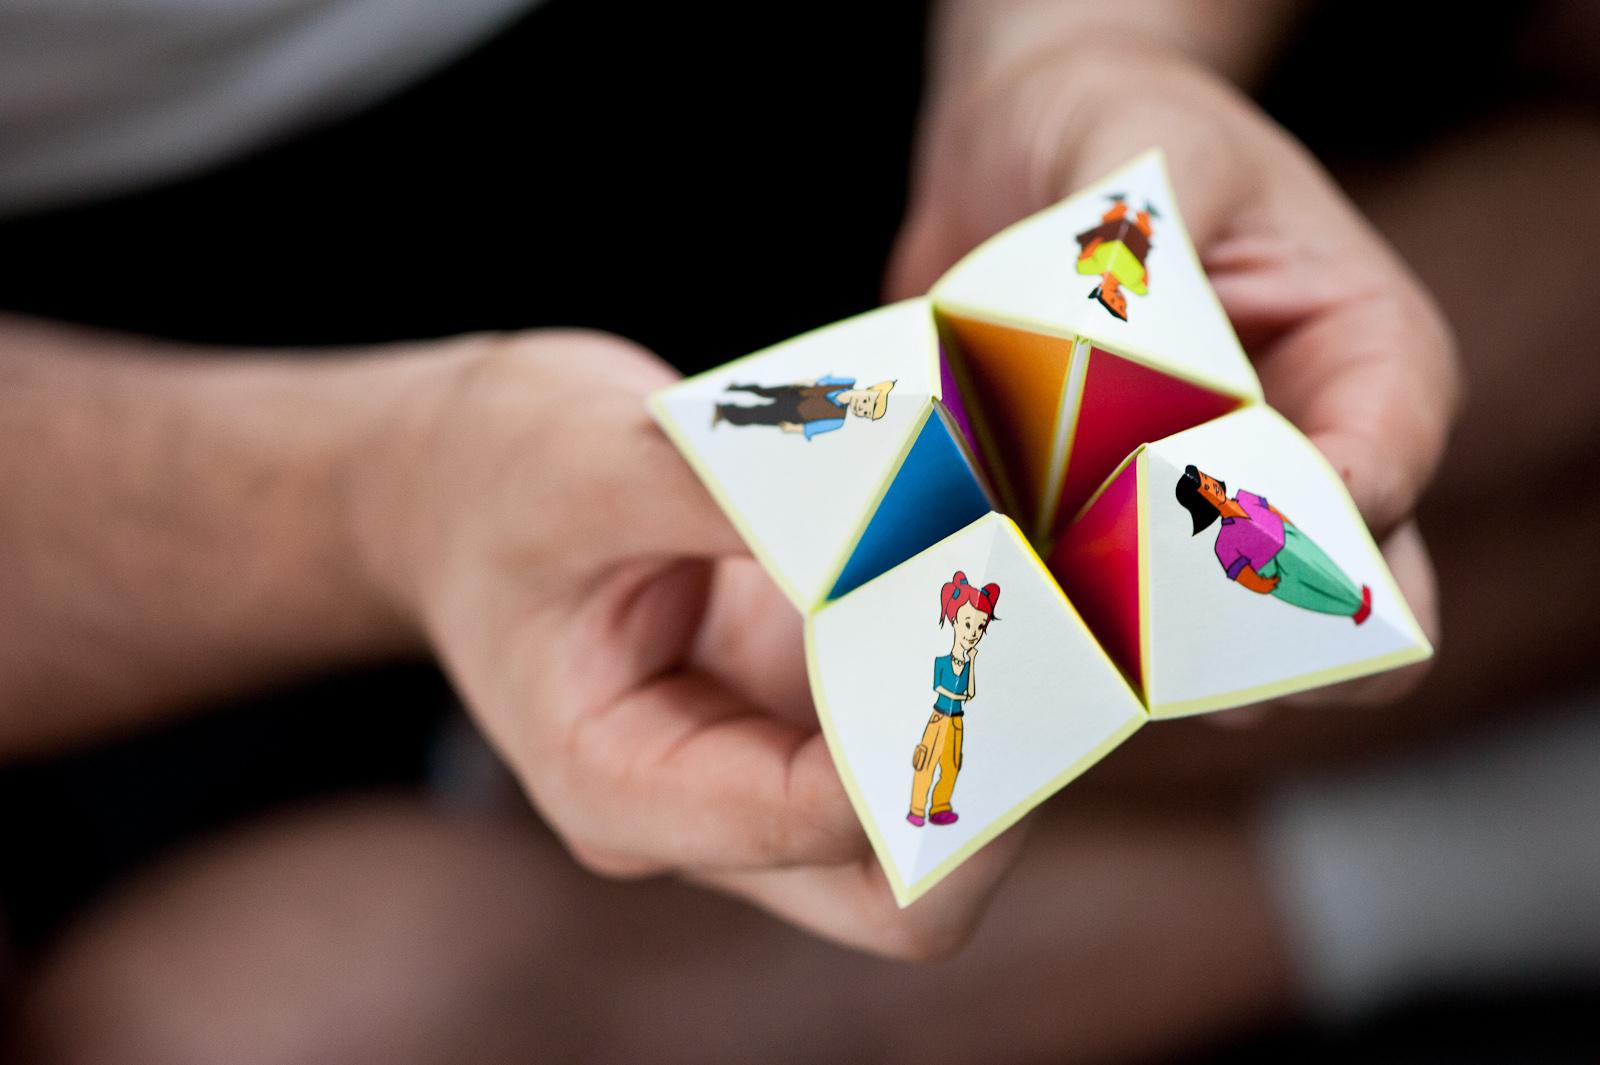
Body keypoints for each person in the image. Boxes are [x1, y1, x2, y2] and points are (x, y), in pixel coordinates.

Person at [1175, 464, 1372, 623]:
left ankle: (1356, 596)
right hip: (1275, 572)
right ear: (1202, 504)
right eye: (1206, 489)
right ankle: (1350, 609)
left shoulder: (1245, 497)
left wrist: (1289, 526)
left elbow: (1272, 510)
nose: (1212, 488)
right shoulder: (1223, 543)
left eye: (1207, 480)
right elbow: (1241, 573)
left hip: (1290, 538)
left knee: (1323, 565)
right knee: (1311, 594)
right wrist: (1261, 584)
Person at [908, 572, 1000, 827]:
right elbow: (940, 688)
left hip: (957, 721)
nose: (973, 633)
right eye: (968, 624)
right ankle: (917, 808)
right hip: (939, 718)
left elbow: (969, 693)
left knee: (952, 765)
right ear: (955, 622)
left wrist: (971, 663)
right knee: (926, 761)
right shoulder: (942, 662)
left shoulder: (968, 661)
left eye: (980, 626)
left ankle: (940, 806)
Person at [714, 376, 895, 438]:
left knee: (757, 415)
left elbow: (814, 428)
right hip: (796, 392)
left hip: (794, 414)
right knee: (762, 391)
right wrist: (810, 381)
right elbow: (825, 381)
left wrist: (795, 428)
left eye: (865, 412)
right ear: (868, 389)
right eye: (865, 402)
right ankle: (736, 387)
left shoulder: (838, 420)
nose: (860, 408)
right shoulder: (848, 382)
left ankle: (725, 412)